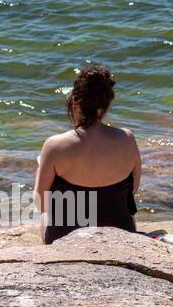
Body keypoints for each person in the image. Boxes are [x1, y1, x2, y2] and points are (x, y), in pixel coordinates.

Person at [32, 63, 141, 244]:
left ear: (75, 102)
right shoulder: (127, 138)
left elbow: (41, 204)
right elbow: (133, 190)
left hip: (66, 236)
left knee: (45, 201)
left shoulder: (54, 145)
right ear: (106, 105)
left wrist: (40, 169)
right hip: (121, 231)